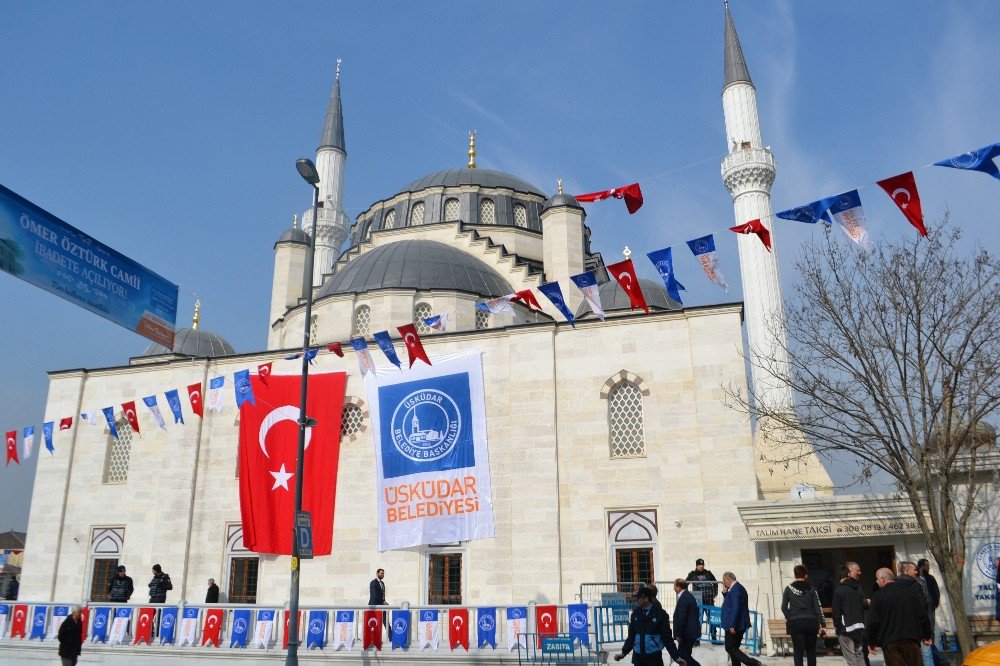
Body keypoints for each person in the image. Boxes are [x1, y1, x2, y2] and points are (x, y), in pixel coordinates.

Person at [865, 568, 931, 666]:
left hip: (890, 642)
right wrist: (926, 635)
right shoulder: (909, 592)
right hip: (911, 638)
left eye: (877, 579)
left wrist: (871, 642)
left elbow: (872, 622)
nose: (876, 582)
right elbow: (922, 614)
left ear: (882, 579)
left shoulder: (878, 596)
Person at [614, 586, 686, 665]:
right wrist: (623, 653)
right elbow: (631, 636)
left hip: (654, 658)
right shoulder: (635, 614)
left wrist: (676, 657)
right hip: (638, 657)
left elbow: (667, 638)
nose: (636, 600)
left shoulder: (660, 614)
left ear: (646, 599)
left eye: (638, 597)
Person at [782, 564, 827, 666]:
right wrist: (823, 625)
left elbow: (783, 607)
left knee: (798, 651)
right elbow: (818, 607)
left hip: (796, 623)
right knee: (811, 651)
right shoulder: (812, 589)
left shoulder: (788, 589)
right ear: (806, 575)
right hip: (811, 622)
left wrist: (790, 618)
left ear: (795, 575)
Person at [721, 572, 761, 666]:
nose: (723, 583)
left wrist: (732, 625)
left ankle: (753, 663)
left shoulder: (736, 589)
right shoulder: (735, 588)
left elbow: (736, 608)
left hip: (736, 624)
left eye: (724, 580)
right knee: (734, 649)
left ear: (728, 579)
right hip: (737, 623)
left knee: (730, 648)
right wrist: (725, 593)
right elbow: (731, 603)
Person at [898, 562, 933, 666]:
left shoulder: (894, 585)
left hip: (901, 630)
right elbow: (923, 608)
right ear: (907, 571)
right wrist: (927, 633)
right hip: (918, 628)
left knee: (906, 658)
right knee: (926, 656)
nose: (917, 571)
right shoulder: (917, 585)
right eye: (914, 569)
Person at [832, 563, 866, 666]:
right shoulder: (858, 589)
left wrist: (837, 627)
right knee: (859, 654)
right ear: (849, 574)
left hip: (846, 628)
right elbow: (863, 606)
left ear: (838, 577)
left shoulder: (839, 590)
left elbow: (836, 612)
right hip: (859, 626)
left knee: (851, 658)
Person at [674, 578, 702, 666]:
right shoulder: (687, 595)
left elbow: (681, 618)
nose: (673, 588)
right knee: (685, 656)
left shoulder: (684, 598)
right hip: (689, 633)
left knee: (683, 657)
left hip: (687, 634)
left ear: (678, 587)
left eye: (674, 586)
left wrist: (678, 634)